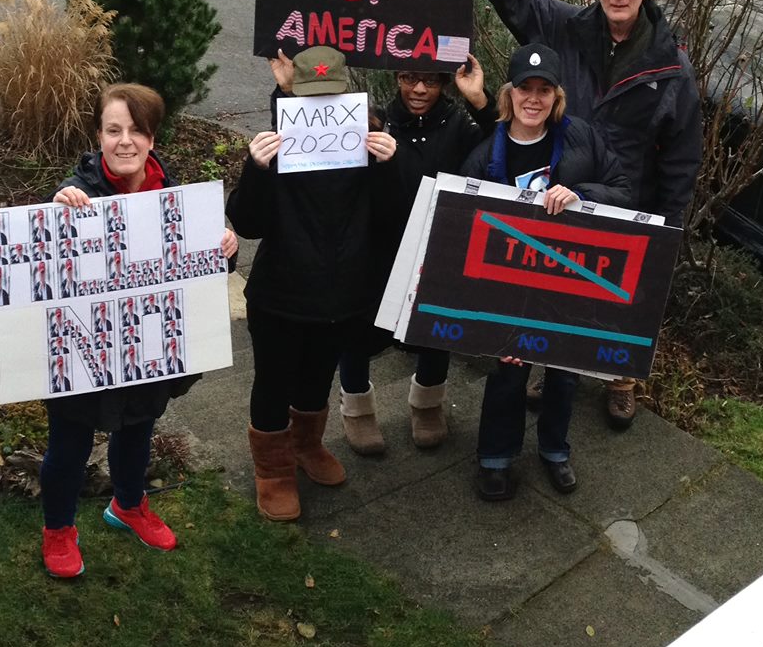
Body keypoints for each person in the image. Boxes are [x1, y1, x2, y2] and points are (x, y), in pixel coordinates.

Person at [488, 0, 703, 431]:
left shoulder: (671, 66)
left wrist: (670, 225)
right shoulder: (569, 28)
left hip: (629, 197)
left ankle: (620, 379)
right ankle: (544, 360)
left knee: (617, 299)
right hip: (565, 191)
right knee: (553, 286)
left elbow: (681, 158)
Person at [40, 84, 238, 577]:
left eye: (136, 130)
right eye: (113, 130)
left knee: (138, 429)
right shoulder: (75, 196)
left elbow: (197, 280)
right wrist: (54, 208)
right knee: (70, 443)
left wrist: (224, 255)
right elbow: (42, 265)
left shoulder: (173, 198)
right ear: (98, 135)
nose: (124, 141)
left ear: (152, 138)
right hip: (84, 351)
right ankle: (59, 530)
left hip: (145, 348)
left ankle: (128, 505)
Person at [227, 47, 397, 522]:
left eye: (332, 97)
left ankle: (307, 445)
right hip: (282, 294)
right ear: (293, 97)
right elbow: (247, 221)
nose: (321, 110)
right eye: (309, 98)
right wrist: (256, 170)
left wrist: (388, 165)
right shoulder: (278, 147)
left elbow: (390, 219)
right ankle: (273, 469)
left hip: (341, 296)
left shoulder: (368, 142)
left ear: (350, 95)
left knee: (317, 377)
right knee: (273, 380)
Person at [460, 44, 632, 502]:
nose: (533, 99)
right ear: (509, 95)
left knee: (564, 373)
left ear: (556, 96)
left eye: (543, 90)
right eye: (524, 89)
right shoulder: (484, 156)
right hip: (508, 288)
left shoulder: (582, 139)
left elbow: (624, 190)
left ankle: (555, 451)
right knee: (508, 371)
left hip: (568, 283)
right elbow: (460, 227)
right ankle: (495, 458)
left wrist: (580, 194)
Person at [338, 56, 494, 455]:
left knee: (434, 329)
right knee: (357, 330)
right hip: (378, 248)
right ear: (396, 77)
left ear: (445, 82)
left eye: (430, 81)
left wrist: (480, 101)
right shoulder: (373, 123)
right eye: (409, 78)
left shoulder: (460, 126)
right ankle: (356, 408)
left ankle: (428, 404)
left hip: (437, 246)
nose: (419, 90)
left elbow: (503, 150)